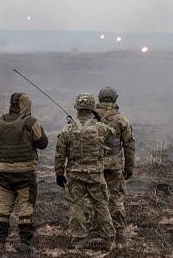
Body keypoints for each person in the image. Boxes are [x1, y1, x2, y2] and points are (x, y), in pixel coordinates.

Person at [54, 93, 117, 250]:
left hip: (75, 175)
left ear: (77, 108)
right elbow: (112, 132)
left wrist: (59, 173)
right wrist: (98, 119)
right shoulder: (100, 128)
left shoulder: (67, 129)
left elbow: (60, 154)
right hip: (95, 175)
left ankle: (79, 241)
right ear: (92, 108)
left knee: (77, 207)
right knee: (101, 206)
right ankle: (109, 241)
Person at [0, 93, 48, 253]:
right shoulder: (30, 122)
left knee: (3, 206)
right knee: (25, 207)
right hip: (25, 172)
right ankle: (25, 243)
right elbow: (43, 143)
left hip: (3, 171)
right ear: (26, 105)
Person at [94, 86, 135, 244]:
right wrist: (129, 167)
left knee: (93, 198)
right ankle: (119, 233)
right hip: (114, 165)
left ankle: (96, 231)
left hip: (93, 165)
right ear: (115, 99)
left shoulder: (90, 117)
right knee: (116, 198)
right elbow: (129, 144)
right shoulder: (121, 119)